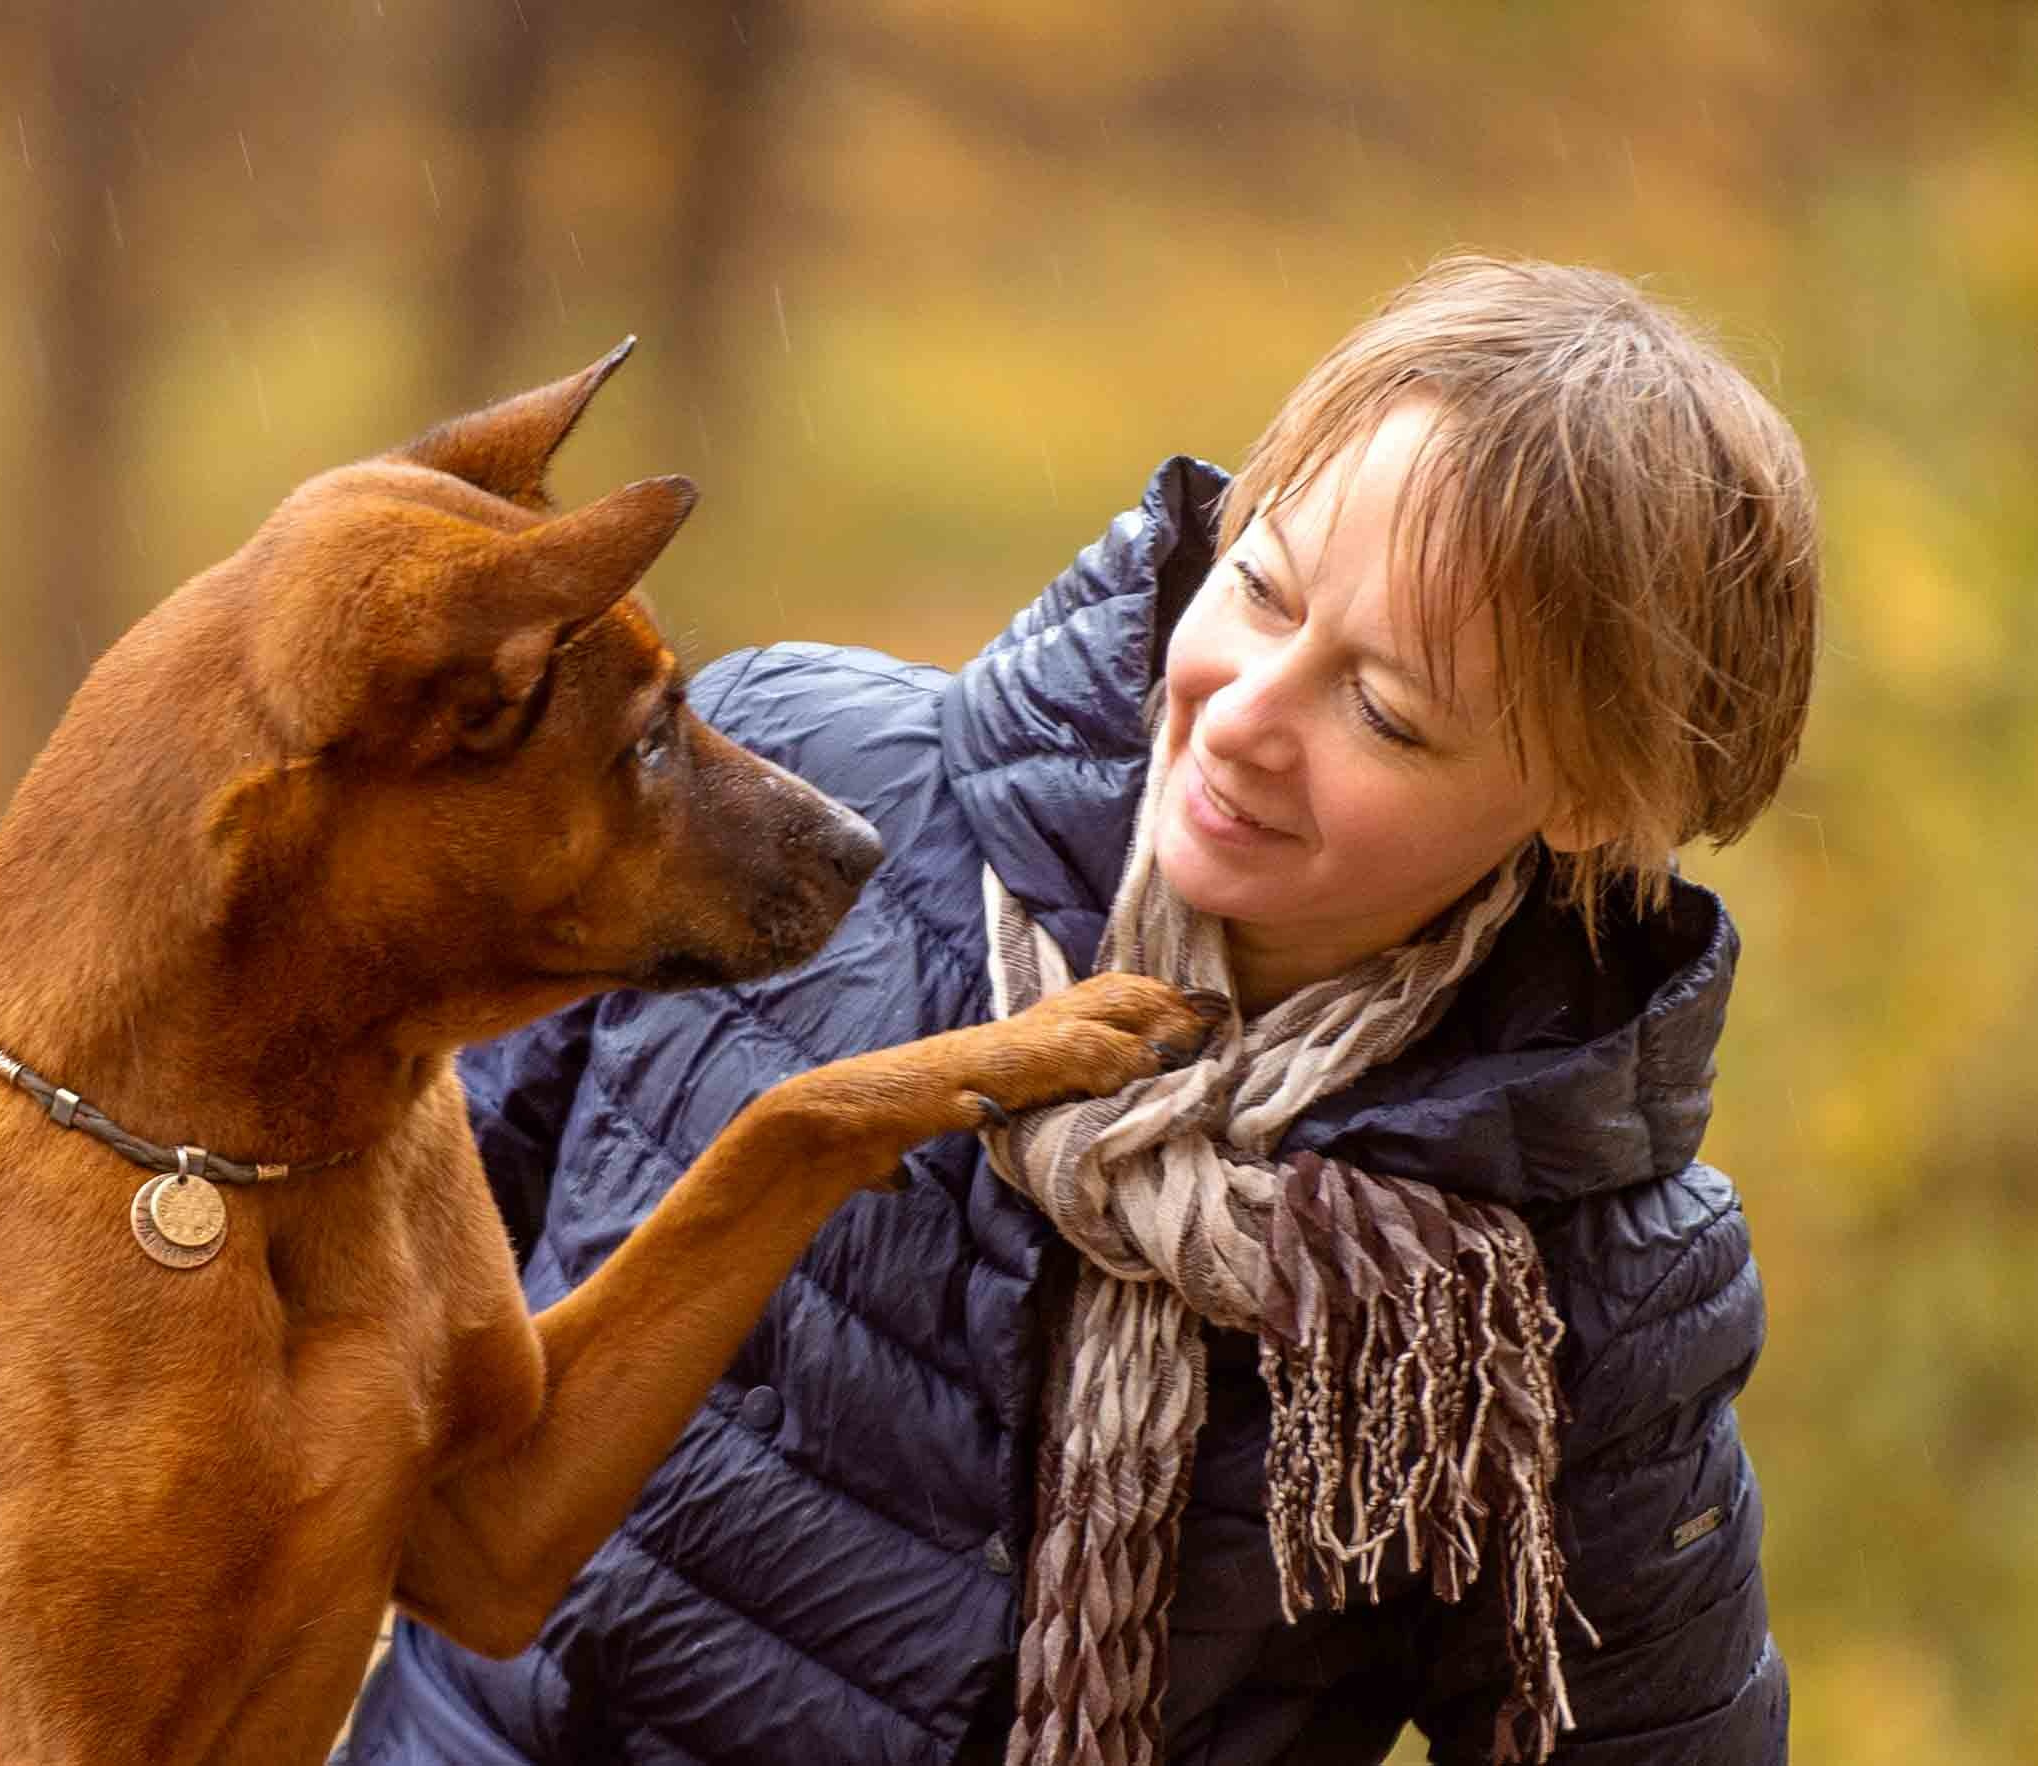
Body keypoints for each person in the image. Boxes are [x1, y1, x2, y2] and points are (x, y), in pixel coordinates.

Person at [343, 255, 1815, 1765]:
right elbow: (339, 1330)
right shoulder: (784, 801)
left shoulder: (1556, 1283)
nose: (1240, 715)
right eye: (1259, 585)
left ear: (1587, 798)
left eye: (1383, 710)